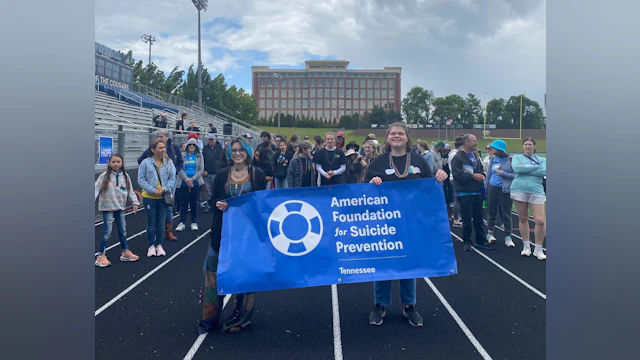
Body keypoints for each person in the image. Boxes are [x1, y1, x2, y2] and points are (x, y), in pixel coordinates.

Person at [364, 122, 449, 327]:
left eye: (400, 133)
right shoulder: (377, 162)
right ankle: (380, 305)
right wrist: (371, 183)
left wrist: (440, 178)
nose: (396, 136)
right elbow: (363, 191)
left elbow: (430, 188)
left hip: (412, 223)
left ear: (407, 137)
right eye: (393, 133)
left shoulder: (419, 161)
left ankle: (409, 305)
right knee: (384, 262)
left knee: (410, 263)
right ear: (387, 138)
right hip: (384, 223)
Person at [197, 137, 267, 334]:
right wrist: (218, 204)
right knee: (211, 272)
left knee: (246, 275)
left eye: (241, 150)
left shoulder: (257, 175)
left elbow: (262, 203)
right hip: (222, 232)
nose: (237, 153)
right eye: (234, 150)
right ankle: (209, 318)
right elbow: (212, 200)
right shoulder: (221, 175)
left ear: (248, 153)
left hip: (248, 234)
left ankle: (241, 318)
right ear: (229, 153)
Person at [450, 134, 495, 251]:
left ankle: (481, 240)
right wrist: (472, 176)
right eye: (473, 141)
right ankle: (467, 241)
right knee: (466, 218)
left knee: (479, 217)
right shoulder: (458, 157)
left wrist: (482, 176)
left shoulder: (475, 156)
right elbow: (457, 174)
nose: (476, 143)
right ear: (466, 143)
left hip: (476, 191)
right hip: (464, 192)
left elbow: (480, 169)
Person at [94, 154, 140, 267]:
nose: (116, 164)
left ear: (122, 163)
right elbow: (95, 189)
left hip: (120, 207)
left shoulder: (125, 176)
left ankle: (125, 252)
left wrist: (135, 202)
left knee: (122, 230)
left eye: (118, 161)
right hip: (107, 207)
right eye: (113, 162)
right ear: (109, 163)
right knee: (107, 232)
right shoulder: (104, 176)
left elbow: (130, 191)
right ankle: (101, 255)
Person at [138, 129, 183, 241]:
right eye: (157, 136)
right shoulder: (152, 150)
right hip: (154, 184)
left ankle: (168, 231)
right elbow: (141, 160)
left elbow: (180, 161)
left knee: (168, 205)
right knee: (155, 207)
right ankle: (155, 233)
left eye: (161, 136)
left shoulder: (174, 148)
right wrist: (150, 170)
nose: (159, 138)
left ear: (167, 137)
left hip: (169, 183)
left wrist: (175, 171)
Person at [137, 140, 176, 257]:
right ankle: (151, 245)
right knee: (151, 222)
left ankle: (159, 244)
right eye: (160, 148)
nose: (163, 149)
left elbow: (172, 178)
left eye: (164, 147)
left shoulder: (169, 162)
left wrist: (164, 189)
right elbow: (141, 179)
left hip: (163, 197)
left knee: (161, 222)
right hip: (150, 197)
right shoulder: (145, 163)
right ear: (153, 150)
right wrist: (152, 190)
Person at [511, 137, 546, 260]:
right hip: (519, 189)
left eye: (530, 144)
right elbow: (517, 168)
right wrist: (536, 167)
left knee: (540, 220)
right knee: (523, 218)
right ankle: (526, 246)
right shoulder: (517, 158)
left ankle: (538, 248)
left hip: (536, 190)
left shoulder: (542, 159)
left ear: (534, 146)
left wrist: (525, 169)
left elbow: (545, 171)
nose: (527, 146)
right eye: (525, 144)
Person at [484, 140, 516, 247]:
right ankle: (490, 233)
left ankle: (508, 236)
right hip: (492, 188)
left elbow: (515, 176)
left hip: (505, 189)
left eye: (494, 148)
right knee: (492, 211)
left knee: (506, 213)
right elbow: (488, 175)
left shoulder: (510, 160)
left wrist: (503, 173)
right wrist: (485, 187)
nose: (491, 150)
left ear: (500, 149)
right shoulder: (493, 160)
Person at [176, 138, 205, 231]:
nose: (191, 146)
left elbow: (201, 169)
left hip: (196, 183)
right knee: (183, 203)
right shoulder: (182, 155)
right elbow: (179, 168)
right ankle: (182, 222)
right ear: (187, 146)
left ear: (196, 146)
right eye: (190, 145)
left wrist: (193, 179)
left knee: (194, 203)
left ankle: (193, 222)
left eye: (193, 145)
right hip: (183, 183)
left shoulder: (200, 156)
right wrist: (186, 179)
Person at [202, 134, 223, 213]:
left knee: (215, 190)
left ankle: (214, 205)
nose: (211, 141)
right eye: (210, 140)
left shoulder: (219, 148)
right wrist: (203, 170)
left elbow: (221, 160)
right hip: (207, 172)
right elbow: (202, 159)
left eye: (212, 139)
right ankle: (208, 205)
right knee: (208, 191)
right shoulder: (205, 148)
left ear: (215, 140)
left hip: (216, 172)